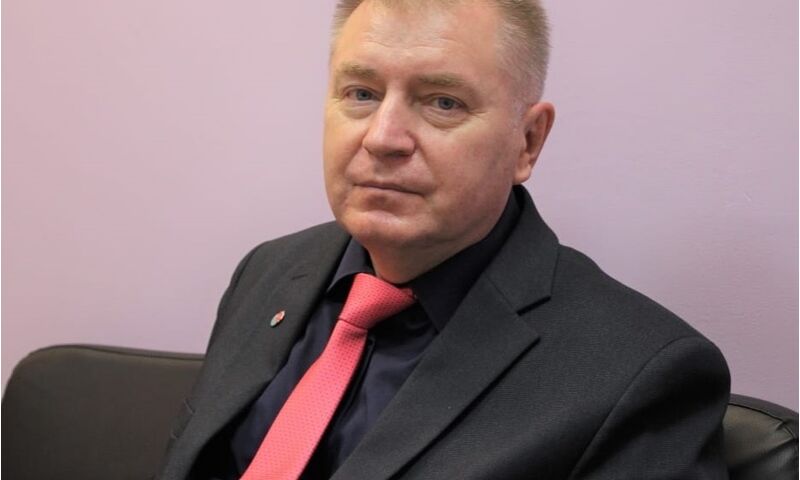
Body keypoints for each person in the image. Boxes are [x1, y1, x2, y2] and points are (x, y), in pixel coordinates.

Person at [158, 0, 731, 478]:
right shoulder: (269, 271)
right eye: (361, 93)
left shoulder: (637, 374)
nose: (383, 138)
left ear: (528, 141)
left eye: (442, 103)